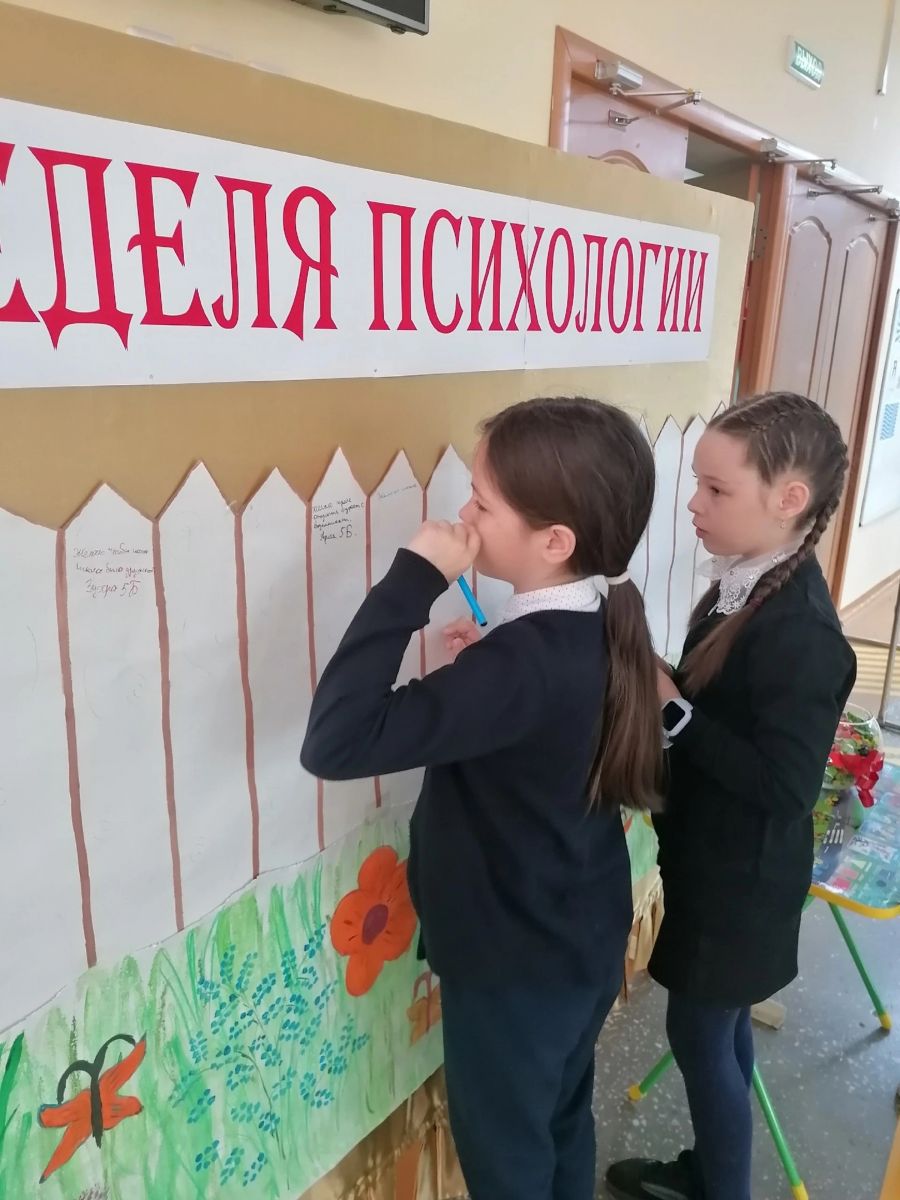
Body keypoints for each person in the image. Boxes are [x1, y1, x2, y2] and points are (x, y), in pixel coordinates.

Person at [302, 396, 663, 1200]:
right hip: (576, 937)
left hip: (515, 968)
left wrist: (415, 579)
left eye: (482, 503)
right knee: (559, 1122)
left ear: (555, 541)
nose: (463, 516)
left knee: (507, 1162)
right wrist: (492, 665)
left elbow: (335, 740)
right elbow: (541, 717)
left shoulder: (522, 665)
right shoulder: (596, 621)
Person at [605, 392, 857, 1200]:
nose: (694, 504)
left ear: (789, 500)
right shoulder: (743, 584)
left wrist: (672, 712)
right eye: (698, 484)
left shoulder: (802, 632)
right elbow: (723, 704)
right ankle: (714, 1169)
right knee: (719, 1027)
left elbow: (785, 787)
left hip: (741, 883)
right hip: (714, 862)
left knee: (700, 1032)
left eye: (716, 489)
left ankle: (723, 1190)